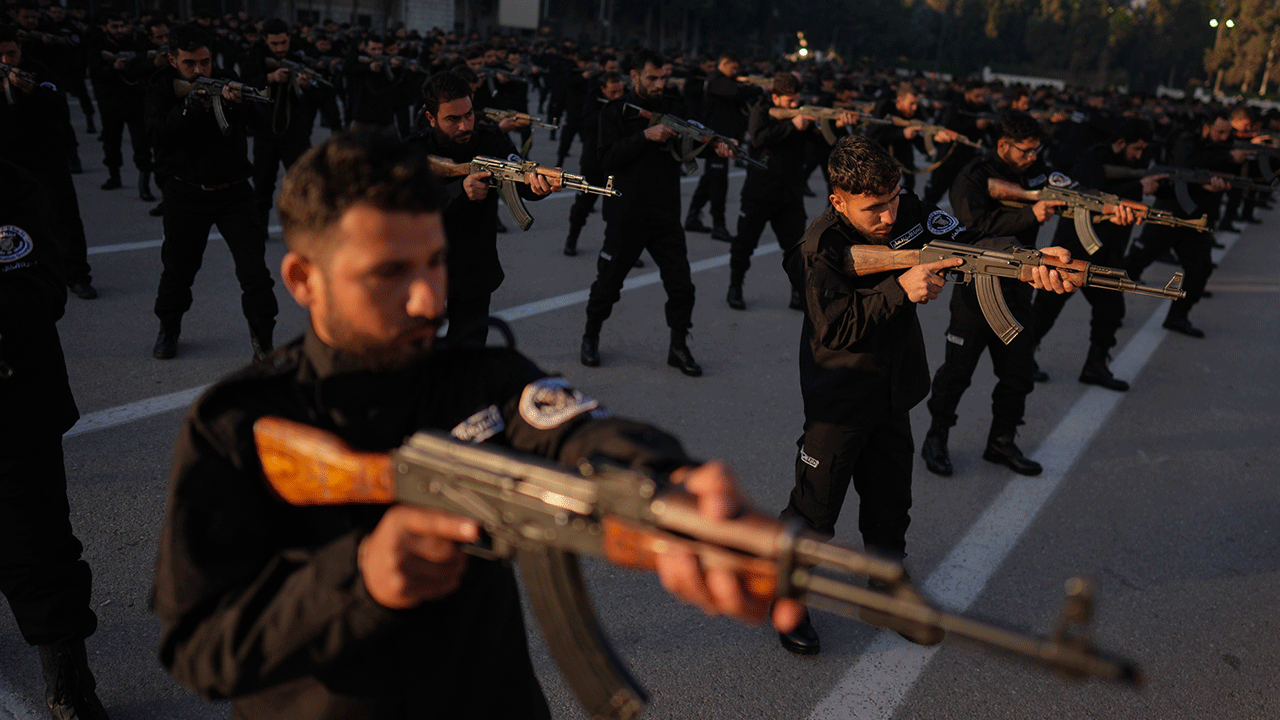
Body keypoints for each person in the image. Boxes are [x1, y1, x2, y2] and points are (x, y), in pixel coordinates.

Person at [151, 129, 802, 719]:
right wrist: (361, 578)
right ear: (303, 279)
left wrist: (675, 486)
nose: (430, 299)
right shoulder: (242, 424)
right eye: (389, 273)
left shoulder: (476, 374)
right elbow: (198, 649)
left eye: (434, 261)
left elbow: (576, 429)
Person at [777, 134, 1074, 655]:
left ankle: (884, 594)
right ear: (838, 200)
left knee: (891, 505)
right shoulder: (819, 247)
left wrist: (1028, 259)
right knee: (815, 511)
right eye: (874, 208)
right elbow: (834, 329)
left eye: (893, 199)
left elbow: (965, 242)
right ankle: (786, 596)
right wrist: (901, 289)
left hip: (894, 390)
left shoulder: (906, 209)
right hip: (840, 400)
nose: (890, 216)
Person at [0, 159, 109, 720]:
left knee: (38, 548)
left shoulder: (11, 188)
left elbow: (40, 292)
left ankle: (67, 675)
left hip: (13, 407)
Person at [924, 110, 1070, 478]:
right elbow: (973, 229)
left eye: (1037, 150)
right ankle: (936, 437)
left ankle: (1001, 441)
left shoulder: (1037, 172)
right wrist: (1031, 215)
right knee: (956, 374)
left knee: (1018, 373)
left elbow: (1070, 190)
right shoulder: (973, 177)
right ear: (1003, 144)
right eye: (1025, 150)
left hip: (1020, 287)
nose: (1032, 157)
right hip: (977, 288)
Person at [581, 49, 734, 376]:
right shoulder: (615, 112)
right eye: (653, 77)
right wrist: (644, 136)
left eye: (665, 77)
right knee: (607, 284)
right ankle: (591, 336)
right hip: (626, 213)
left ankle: (678, 347)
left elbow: (692, 140)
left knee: (682, 287)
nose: (661, 83)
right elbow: (605, 159)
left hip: (665, 214)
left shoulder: (674, 106)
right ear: (634, 76)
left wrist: (716, 144)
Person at [144, 23, 278, 360]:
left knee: (255, 273)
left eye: (205, 62)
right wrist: (188, 108)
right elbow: (157, 135)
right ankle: (169, 327)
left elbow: (263, 123)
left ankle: (263, 342)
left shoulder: (227, 77)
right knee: (178, 269)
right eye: (190, 63)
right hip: (184, 192)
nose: (200, 70)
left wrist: (239, 104)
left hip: (233, 193)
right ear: (173, 60)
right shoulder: (161, 85)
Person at [408, 70, 554, 347]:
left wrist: (538, 186)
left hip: (473, 263)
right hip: (423, 266)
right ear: (431, 118)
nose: (465, 126)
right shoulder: (415, 150)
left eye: (469, 115)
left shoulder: (490, 140)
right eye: (452, 119)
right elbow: (405, 206)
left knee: (469, 351)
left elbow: (521, 178)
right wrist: (458, 191)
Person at [1031, 118, 1156, 391]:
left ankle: (1095, 366)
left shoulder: (1133, 166)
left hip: (1107, 252)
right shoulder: (1093, 159)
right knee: (1046, 308)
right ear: (1120, 143)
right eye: (1135, 149)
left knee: (1111, 310)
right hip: (1073, 249)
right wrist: (1137, 190)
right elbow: (1091, 199)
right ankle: (1021, 358)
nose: (1138, 155)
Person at [728, 71, 853, 311]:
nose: (795, 104)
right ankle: (735, 287)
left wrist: (836, 125)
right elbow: (757, 138)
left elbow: (823, 140)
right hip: (759, 191)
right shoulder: (760, 110)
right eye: (790, 102)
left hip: (790, 194)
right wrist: (791, 125)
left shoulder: (803, 112)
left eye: (797, 99)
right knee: (744, 244)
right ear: (775, 97)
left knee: (798, 249)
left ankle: (798, 294)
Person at [1123, 111, 1240, 339]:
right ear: (1206, 128)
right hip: (1170, 213)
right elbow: (1186, 165)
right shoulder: (1186, 141)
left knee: (1200, 271)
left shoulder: (1229, 149)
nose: (1225, 137)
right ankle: (1108, 305)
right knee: (1136, 262)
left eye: (1228, 132)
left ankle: (1177, 316)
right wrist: (1228, 161)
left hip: (1197, 219)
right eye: (1220, 132)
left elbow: (1235, 175)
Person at [0, 26, 96, 300]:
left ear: (20, 49)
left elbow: (56, 104)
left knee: (63, 218)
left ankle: (76, 274)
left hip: (45, 159)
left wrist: (29, 88)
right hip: (6, 161)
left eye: (12, 53)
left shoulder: (39, 73)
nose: (7, 61)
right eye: (1, 55)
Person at [243, 17, 322, 238]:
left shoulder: (301, 56)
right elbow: (245, 85)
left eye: (283, 42)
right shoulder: (255, 57)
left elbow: (320, 98)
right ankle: (260, 229)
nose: (280, 48)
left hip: (295, 132)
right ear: (265, 41)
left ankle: (306, 229)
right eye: (274, 44)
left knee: (303, 183)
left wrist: (306, 86)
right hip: (265, 131)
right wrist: (270, 78)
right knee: (262, 184)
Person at [685, 51, 752, 242]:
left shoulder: (723, 81)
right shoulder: (716, 80)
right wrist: (757, 89)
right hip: (715, 139)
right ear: (724, 64)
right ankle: (718, 225)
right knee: (718, 184)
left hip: (721, 137)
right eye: (733, 67)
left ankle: (693, 217)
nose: (735, 71)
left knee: (710, 180)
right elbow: (737, 93)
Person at [563, 69, 625, 257]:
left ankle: (618, 248)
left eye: (620, 91)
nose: (617, 96)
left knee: (619, 210)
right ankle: (572, 238)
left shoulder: (626, 101)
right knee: (583, 204)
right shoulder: (592, 102)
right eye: (612, 92)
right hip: (594, 161)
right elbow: (588, 122)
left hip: (618, 161)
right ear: (602, 89)